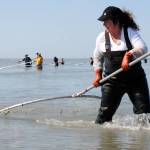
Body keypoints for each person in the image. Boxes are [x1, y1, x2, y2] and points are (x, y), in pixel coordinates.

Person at [92, 6, 150, 124]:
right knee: (103, 118)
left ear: (116, 21)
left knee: (145, 115)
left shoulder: (129, 32)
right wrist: (98, 75)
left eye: (107, 21)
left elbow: (143, 49)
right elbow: (97, 57)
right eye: (103, 22)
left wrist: (128, 55)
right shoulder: (102, 38)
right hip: (112, 81)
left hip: (135, 80)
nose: (104, 25)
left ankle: (142, 141)